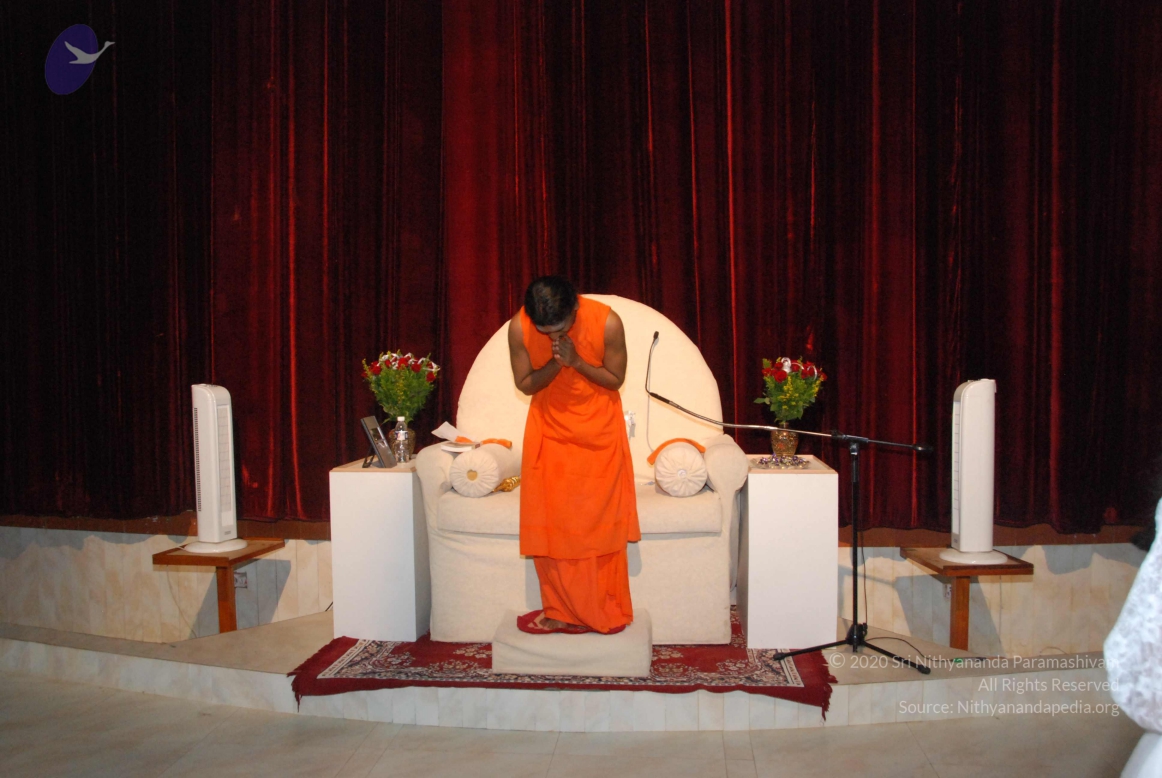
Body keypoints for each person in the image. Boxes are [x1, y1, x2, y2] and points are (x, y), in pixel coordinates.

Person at [507, 276, 640, 634]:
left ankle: (603, 610)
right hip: (548, 432)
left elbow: (615, 379)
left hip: (599, 435)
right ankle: (559, 609)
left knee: (597, 529)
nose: (553, 336)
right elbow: (525, 384)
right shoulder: (518, 328)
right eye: (545, 331)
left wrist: (577, 361)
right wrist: (557, 363)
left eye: (560, 328)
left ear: (575, 307)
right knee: (552, 529)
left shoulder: (607, 322)